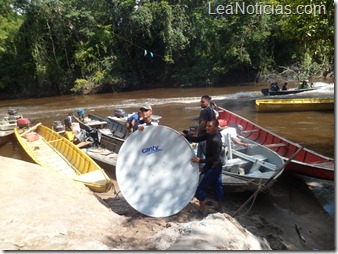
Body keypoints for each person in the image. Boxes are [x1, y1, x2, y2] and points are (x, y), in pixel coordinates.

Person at [181, 118, 224, 216]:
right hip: (217, 167)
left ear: (216, 127)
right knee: (218, 186)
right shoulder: (210, 134)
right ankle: (219, 207)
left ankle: (202, 209)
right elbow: (197, 139)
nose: (207, 128)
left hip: (212, 167)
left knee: (200, 187)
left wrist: (200, 160)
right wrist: (186, 135)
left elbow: (215, 158)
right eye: (207, 126)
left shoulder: (215, 140)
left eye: (210, 126)